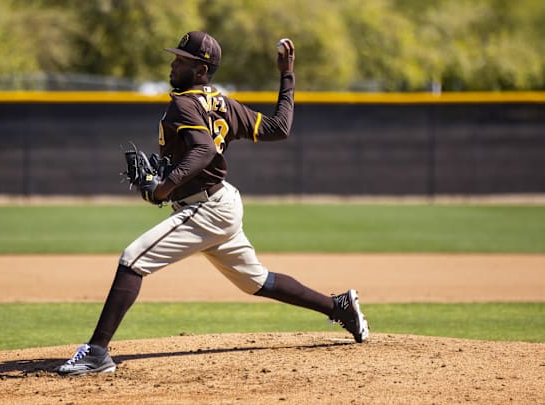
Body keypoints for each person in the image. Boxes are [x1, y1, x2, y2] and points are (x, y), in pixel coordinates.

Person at [57, 31, 369, 376]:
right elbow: (280, 127)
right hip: (221, 203)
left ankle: (97, 352)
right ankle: (339, 307)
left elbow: (203, 150)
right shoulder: (224, 103)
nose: (173, 64)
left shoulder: (184, 103)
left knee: (133, 260)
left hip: (207, 209)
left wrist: (164, 187)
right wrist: (287, 75)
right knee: (258, 281)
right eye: (176, 58)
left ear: (202, 70)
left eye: (182, 61)